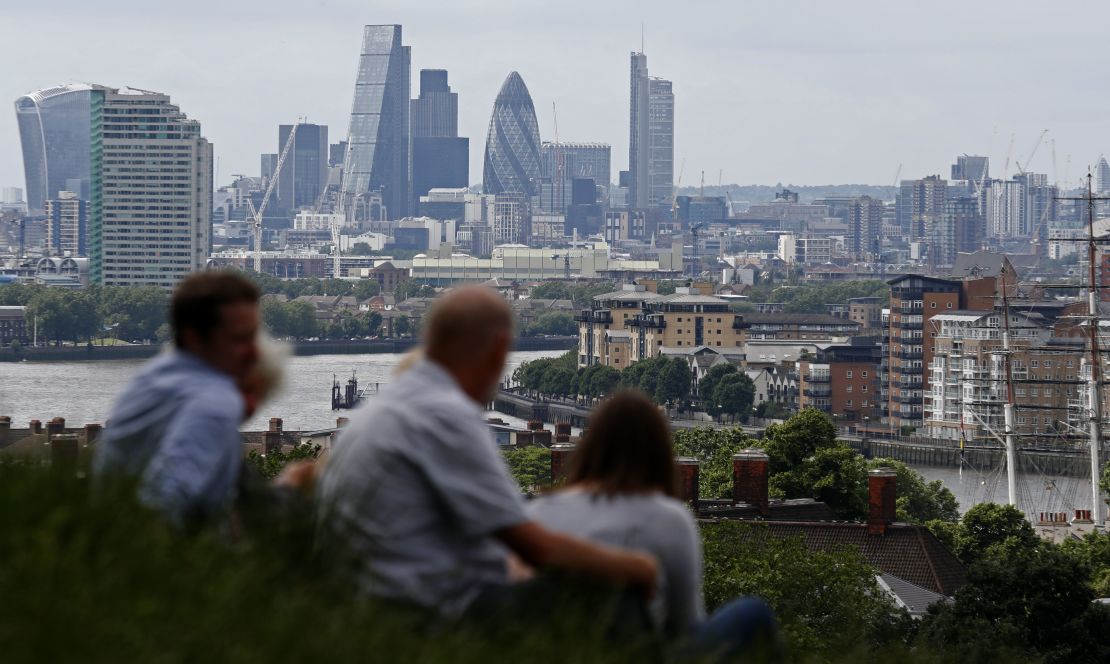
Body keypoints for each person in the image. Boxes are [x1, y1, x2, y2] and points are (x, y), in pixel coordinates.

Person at [317, 286, 658, 619]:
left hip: (367, 607)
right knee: (617, 602)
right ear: (498, 350)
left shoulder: (383, 409)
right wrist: (637, 566)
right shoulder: (446, 414)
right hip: (425, 615)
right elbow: (536, 548)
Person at [527, 390, 780, 661]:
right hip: (640, 654)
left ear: (590, 446)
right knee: (753, 612)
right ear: (658, 451)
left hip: (560, 651)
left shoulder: (540, 511)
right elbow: (686, 623)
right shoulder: (669, 519)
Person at [94, 271, 261, 524]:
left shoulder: (150, 378)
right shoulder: (214, 401)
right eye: (239, 338)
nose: (254, 352)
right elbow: (163, 506)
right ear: (194, 337)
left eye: (254, 336)